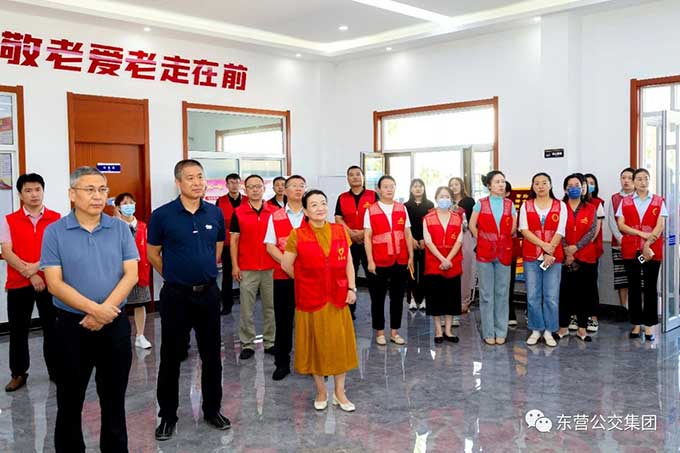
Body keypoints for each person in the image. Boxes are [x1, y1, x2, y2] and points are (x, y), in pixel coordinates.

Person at [41, 166, 139, 452]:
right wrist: (94, 311)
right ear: (72, 194)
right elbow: (54, 283)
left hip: (114, 324)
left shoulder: (119, 228)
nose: (98, 196)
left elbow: (131, 274)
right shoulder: (55, 231)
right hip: (71, 327)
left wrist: (105, 311)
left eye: (102, 190)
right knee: (69, 401)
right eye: (90, 190)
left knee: (114, 401)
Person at [148, 159, 230, 441]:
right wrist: (174, 275)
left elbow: (217, 247)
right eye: (190, 177)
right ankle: (167, 416)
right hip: (176, 296)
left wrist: (201, 271)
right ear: (178, 182)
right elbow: (153, 254)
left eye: (200, 177)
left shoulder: (215, 213)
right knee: (170, 357)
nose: (197, 182)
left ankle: (212, 410)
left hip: (208, 294)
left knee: (212, 356)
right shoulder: (162, 215)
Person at [281, 189, 358, 412]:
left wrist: (352, 287)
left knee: (339, 346)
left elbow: (348, 262)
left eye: (323, 203)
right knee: (315, 346)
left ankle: (339, 393)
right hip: (311, 300)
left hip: (337, 297)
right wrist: (305, 281)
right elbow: (286, 265)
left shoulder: (339, 231)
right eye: (313, 205)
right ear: (305, 211)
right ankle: (321, 391)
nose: (320, 208)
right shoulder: (298, 234)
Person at [1, 173, 60, 391]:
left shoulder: (56, 218)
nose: (34, 194)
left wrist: (36, 267)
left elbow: (58, 250)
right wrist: (30, 273)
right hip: (18, 283)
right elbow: (7, 252)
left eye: (37, 189)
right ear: (20, 194)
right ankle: (18, 373)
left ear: (43, 191)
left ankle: (55, 370)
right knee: (18, 330)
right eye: (28, 190)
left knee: (52, 329)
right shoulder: (9, 219)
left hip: (50, 282)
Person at [264, 175, 307, 381]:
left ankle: (311, 363)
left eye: (302, 186)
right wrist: (289, 266)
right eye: (294, 186)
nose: (298, 189)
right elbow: (270, 246)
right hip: (283, 277)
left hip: (310, 278)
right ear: (285, 190)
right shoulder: (275, 216)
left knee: (309, 322)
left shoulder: (313, 214)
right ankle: (282, 363)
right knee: (283, 322)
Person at [616, 168, 666, 341]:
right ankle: (636, 324)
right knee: (634, 286)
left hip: (652, 250)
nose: (643, 182)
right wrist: (640, 234)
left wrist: (648, 243)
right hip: (631, 249)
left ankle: (649, 325)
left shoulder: (658, 200)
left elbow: (660, 225)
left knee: (650, 287)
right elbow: (621, 225)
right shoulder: (626, 201)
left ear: (649, 181)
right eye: (639, 179)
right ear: (634, 182)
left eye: (646, 178)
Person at [364, 175, 415, 345]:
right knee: (378, 298)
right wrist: (370, 260)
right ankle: (379, 332)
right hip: (379, 260)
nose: (389, 189)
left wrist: (411, 256)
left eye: (392, 186)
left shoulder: (401, 208)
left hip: (400, 260)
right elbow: (367, 237)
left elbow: (407, 233)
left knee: (398, 297)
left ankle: (394, 332)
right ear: (378, 189)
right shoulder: (371, 210)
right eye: (385, 186)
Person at [231, 174, 277, 359]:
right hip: (247, 268)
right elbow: (234, 241)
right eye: (251, 187)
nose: (255, 190)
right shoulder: (238, 212)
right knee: (246, 309)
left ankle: (270, 341)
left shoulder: (274, 211)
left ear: (264, 189)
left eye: (258, 186)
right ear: (245, 190)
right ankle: (247, 344)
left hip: (271, 267)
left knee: (271, 307)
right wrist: (235, 265)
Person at [469, 170, 516, 345]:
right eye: (497, 182)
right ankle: (488, 331)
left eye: (503, 181)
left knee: (502, 293)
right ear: (489, 185)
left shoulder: (510, 204)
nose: (501, 184)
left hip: (504, 251)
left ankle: (501, 330)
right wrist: (483, 239)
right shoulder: (480, 204)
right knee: (487, 293)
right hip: (484, 253)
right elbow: (472, 225)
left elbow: (513, 228)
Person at [519, 173, 566, 347]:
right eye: (537, 183)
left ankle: (549, 331)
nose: (540, 186)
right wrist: (544, 246)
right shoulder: (526, 205)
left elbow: (560, 231)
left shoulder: (560, 205)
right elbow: (524, 230)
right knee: (533, 296)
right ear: (533, 186)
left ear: (550, 185)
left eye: (544, 183)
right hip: (531, 256)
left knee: (551, 297)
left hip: (553, 257)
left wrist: (549, 250)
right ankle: (536, 329)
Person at [556, 173, 598, 342]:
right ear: (565, 189)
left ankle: (582, 329)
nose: (574, 188)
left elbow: (592, 231)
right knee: (565, 292)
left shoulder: (591, 208)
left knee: (584, 293)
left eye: (577, 185)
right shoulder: (559, 207)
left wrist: (576, 247)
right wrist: (567, 250)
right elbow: (558, 229)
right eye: (570, 185)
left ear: (582, 189)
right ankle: (563, 327)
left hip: (585, 256)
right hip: (564, 256)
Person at [334, 165, 379, 319]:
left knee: (373, 277)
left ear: (363, 177)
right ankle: (350, 311)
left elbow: (377, 217)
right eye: (351, 175)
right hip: (349, 243)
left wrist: (363, 232)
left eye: (358, 174)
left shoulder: (373, 195)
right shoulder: (342, 197)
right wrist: (351, 233)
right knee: (348, 276)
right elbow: (338, 218)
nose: (355, 177)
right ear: (347, 178)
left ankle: (376, 312)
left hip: (369, 243)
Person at [422, 186, 463, 343]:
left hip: (453, 263)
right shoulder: (428, 218)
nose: (444, 199)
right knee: (436, 298)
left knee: (451, 297)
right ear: (436, 198)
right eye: (441, 196)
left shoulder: (457, 218)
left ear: (451, 199)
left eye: (447, 197)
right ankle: (438, 331)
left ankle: (448, 331)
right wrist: (442, 259)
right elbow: (428, 241)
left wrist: (448, 259)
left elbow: (459, 240)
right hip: (434, 263)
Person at [114, 192, 152, 349]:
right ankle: (119, 336)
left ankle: (140, 336)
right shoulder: (114, 227)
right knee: (117, 305)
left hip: (140, 271)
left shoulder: (143, 226)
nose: (129, 206)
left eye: (131, 202)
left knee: (140, 304)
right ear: (118, 208)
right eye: (124, 203)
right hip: (119, 273)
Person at [216, 173, 247, 315]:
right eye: (231, 183)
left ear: (240, 184)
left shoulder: (247, 200)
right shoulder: (220, 201)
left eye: (236, 182)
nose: (234, 185)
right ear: (226, 185)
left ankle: (246, 303)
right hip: (227, 244)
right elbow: (218, 222)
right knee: (227, 275)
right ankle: (227, 305)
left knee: (246, 275)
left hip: (245, 243)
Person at [607, 168, 635, 319]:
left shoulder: (640, 197)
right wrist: (622, 240)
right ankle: (624, 309)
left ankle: (638, 309)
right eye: (623, 178)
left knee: (639, 278)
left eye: (630, 178)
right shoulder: (615, 198)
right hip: (619, 246)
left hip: (638, 246)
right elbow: (612, 221)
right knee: (621, 278)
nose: (626, 181)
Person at [449, 177, 476, 321]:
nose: (454, 187)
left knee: (466, 269)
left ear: (461, 186)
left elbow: (473, 222)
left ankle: (465, 301)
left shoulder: (469, 201)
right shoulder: (446, 202)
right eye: (451, 185)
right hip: (450, 238)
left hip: (466, 236)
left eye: (456, 184)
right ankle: (452, 301)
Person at [404, 178, 434, 311]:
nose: (418, 188)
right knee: (411, 271)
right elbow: (404, 225)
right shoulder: (405, 206)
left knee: (424, 271)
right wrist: (411, 239)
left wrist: (424, 239)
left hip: (425, 242)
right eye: (415, 186)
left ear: (424, 188)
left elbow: (431, 224)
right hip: (410, 241)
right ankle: (411, 299)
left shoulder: (430, 205)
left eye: (420, 186)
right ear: (411, 189)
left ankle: (423, 299)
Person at [584, 173, 606, 333]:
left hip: (592, 249)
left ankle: (593, 316)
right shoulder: (570, 203)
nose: (588, 186)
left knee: (591, 284)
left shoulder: (598, 203)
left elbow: (595, 230)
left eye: (592, 183)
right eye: (586, 183)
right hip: (573, 251)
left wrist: (582, 245)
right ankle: (575, 315)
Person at [506, 181, 521, 327]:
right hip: (491, 252)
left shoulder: (512, 208)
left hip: (510, 251)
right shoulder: (484, 206)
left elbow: (514, 230)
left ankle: (510, 312)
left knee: (509, 283)